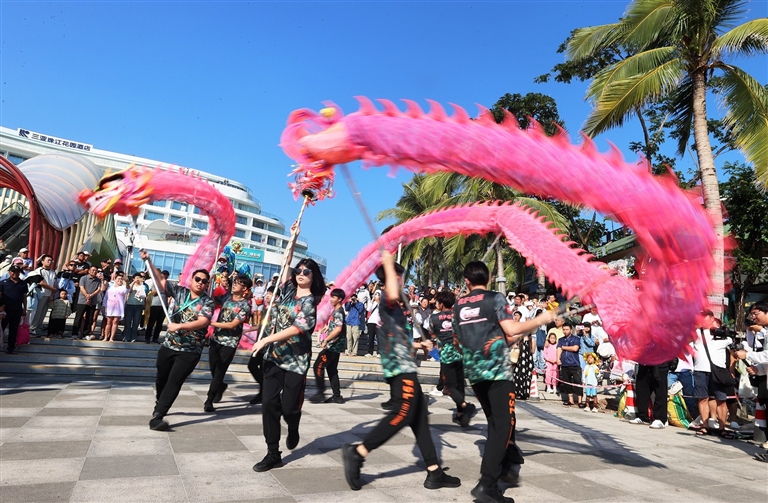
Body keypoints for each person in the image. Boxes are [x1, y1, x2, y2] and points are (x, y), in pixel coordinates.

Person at [342, 251, 460, 492]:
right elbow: (394, 292)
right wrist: (388, 261)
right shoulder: (388, 297)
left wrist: (419, 345)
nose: (403, 282)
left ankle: (434, 471)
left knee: (419, 418)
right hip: (399, 369)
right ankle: (358, 452)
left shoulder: (395, 306)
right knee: (403, 413)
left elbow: (396, 340)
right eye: (400, 277)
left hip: (405, 364)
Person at [453, 261, 556, 503]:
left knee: (495, 422)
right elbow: (510, 328)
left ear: (467, 281)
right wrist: (540, 320)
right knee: (502, 425)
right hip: (498, 373)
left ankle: (507, 463)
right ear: (488, 278)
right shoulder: (495, 298)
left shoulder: (458, 305)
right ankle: (487, 485)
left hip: (475, 373)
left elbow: (460, 342)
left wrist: (512, 338)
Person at [250, 229, 326, 472]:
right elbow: (285, 262)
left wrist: (265, 339)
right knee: (269, 404)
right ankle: (273, 452)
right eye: (298, 270)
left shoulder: (311, 302)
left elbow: (296, 329)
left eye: (306, 271)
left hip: (296, 360)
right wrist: (292, 239)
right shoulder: (287, 291)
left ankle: (293, 425)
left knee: (289, 408)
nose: (301, 273)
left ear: (314, 276)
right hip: (274, 357)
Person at [140, 250, 215, 431]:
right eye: (198, 279)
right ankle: (160, 400)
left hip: (190, 350)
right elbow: (160, 281)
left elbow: (203, 322)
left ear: (207, 285)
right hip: (169, 345)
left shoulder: (208, 302)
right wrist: (149, 261)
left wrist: (180, 326)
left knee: (175, 380)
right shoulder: (180, 291)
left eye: (204, 281)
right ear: (191, 280)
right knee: (162, 378)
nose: (201, 283)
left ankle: (158, 416)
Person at [204, 275, 252, 413]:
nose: (234, 285)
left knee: (220, 370)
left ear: (245, 288)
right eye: (235, 282)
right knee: (213, 367)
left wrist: (211, 323)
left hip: (230, 342)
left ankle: (209, 400)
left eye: (238, 283)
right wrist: (211, 281)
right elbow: (210, 297)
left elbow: (232, 325)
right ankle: (220, 385)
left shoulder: (245, 305)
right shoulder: (226, 297)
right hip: (216, 338)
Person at [428, 290, 477, 427]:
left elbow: (432, 334)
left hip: (446, 354)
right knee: (460, 384)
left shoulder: (434, 318)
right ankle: (460, 414)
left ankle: (464, 406)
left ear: (441, 304)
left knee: (449, 386)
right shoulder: (458, 316)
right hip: (460, 352)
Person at [309, 288, 347, 404]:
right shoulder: (336, 311)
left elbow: (338, 329)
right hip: (335, 346)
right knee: (331, 370)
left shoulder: (339, 312)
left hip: (333, 346)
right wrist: (327, 327)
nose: (331, 299)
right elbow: (335, 326)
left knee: (318, 365)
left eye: (333, 297)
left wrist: (326, 339)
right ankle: (337, 396)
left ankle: (321, 392)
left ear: (340, 299)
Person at [245, 285, 275, 405]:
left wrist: (269, 341)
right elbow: (262, 326)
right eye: (267, 293)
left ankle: (264, 393)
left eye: (271, 294)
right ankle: (263, 389)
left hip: (267, 345)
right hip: (260, 344)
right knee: (252, 365)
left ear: (277, 297)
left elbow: (273, 329)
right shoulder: (265, 310)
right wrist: (248, 330)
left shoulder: (275, 310)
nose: (267, 296)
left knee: (262, 369)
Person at [0, 265, 28, 354]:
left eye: (17, 271)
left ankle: (11, 348)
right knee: (1, 329)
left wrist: (24, 309)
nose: (15, 273)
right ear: (9, 272)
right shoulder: (3, 283)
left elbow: (24, 297)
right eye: (13, 271)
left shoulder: (23, 283)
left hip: (17, 310)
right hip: (4, 311)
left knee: (13, 330)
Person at [29, 254, 57, 336]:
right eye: (48, 260)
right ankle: (32, 328)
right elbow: (41, 283)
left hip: (49, 295)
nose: (50, 262)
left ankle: (36, 328)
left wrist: (52, 294)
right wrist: (52, 289)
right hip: (41, 294)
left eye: (51, 260)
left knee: (43, 313)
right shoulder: (39, 270)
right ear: (42, 261)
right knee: (38, 312)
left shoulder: (53, 272)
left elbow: (55, 283)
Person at [71, 266, 102, 339]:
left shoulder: (98, 280)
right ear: (89, 271)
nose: (94, 272)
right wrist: (87, 296)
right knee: (78, 317)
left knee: (89, 318)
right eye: (93, 270)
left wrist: (91, 296)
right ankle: (74, 333)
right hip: (82, 300)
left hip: (93, 301)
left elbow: (98, 289)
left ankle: (86, 334)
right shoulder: (83, 278)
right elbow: (82, 288)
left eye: (96, 270)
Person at [557, 322, 582, 407]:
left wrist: (563, 347)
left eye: (567, 329)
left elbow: (575, 348)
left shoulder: (576, 339)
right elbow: (558, 349)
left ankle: (580, 400)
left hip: (574, 363)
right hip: (564, 364)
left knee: (577, 382)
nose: (565, 331)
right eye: (564, 329)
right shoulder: (561, 340)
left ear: (571, 330)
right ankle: (570, 400)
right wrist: (557, 359)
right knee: (566, 382)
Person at [145, 270, 170, 344]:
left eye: (166, 275)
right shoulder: (156, 282)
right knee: (151, 322)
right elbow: (153, 293)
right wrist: (161, 288)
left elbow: (169, 294)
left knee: (160, 323)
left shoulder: (168, 284)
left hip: (164, 305)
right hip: (155, 304)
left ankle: (155, 338)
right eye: (164, 274)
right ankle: (147, 337)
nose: (165, 276)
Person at [103, 272, 128, 342]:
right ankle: (105, 337)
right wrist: (104, 306)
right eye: (118, 279)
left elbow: (128, 289)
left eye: (121, 279)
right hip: (109, 307)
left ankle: (111, 337)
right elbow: (105, 297)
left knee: (115, 322)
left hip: (118, 307)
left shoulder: (123, 287)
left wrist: (127, 282)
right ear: (115, 279)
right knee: (108, 322)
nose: (120, 280)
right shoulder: (110, 287)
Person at [123, 273, 148, 342]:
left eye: (139, 278)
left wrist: (145, 305)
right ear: (133, 278)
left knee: (136, 322)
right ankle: (126, 336)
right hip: (130, 304)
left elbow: (146, 296)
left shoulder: (143, 286)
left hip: (139, 305)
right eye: (136, 278)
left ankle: (133, 336)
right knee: (128, 321)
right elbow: (128, 290)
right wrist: (133, 282)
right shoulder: (131, 285)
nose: (138, 279)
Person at [365, 290, 381, 357]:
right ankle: (370, 352)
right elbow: (368, 309)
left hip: (378, 323)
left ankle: (379, 352)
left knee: (379, 338)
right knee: (371, 338)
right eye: (375, 294)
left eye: (378, 294)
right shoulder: (372, 303)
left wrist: (378, 301)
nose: (377, 296)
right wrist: (372, 300)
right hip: (371, 321)